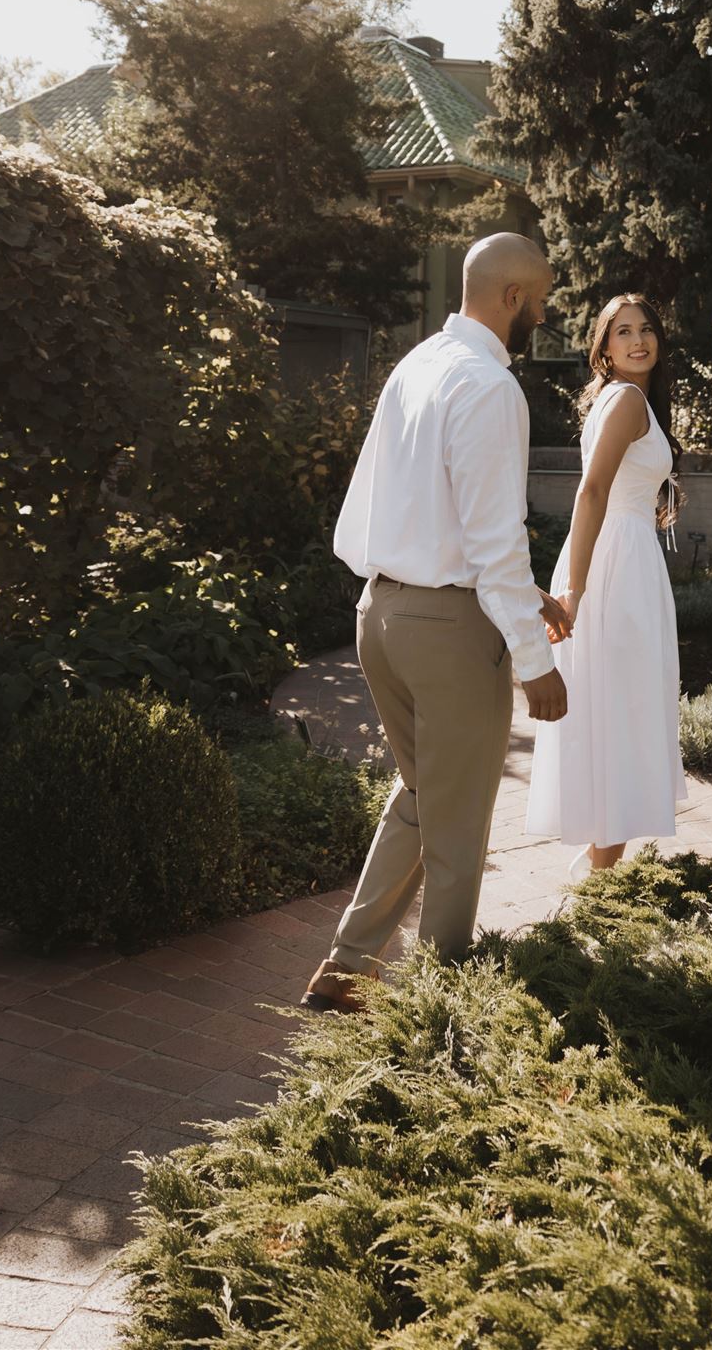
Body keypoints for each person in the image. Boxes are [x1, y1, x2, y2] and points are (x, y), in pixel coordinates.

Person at [299, 232, 571, 1011]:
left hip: (379, 613)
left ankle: (348, 966)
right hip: (448, 633)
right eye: (542, 301)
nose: (544, 315)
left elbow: (420, 510)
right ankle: (441, 1008)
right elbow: (492, 537)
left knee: (422, 795)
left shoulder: (416, 364)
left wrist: (527, 600)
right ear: (513, 297)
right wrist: (535, 660)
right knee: (457, 830)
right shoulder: (489, 385)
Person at [525, 292, 687, 874]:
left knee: (614, 706)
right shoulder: (624, 401)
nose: (638, 340)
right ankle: (601, 878)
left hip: (619, 558)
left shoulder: (623, 399)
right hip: (615, 566)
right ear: (603, 347)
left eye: (646, 329)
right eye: (622, 332)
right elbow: (592, 492)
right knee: (622, 708)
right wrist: (575, 589)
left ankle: (602, 868)